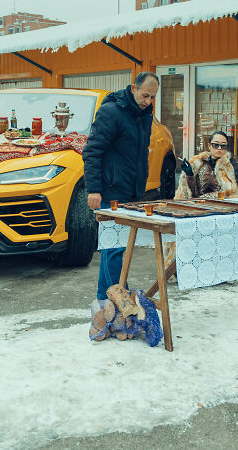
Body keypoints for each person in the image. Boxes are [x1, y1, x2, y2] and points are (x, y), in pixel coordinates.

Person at [82, 71, 160, 304]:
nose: (148, 101)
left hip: (131, 191)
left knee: (116, 247)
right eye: (145, 95)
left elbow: (139, 155)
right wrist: (93, 189)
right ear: (133, 88)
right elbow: (92, 151)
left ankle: (107, 297)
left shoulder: (144, 115)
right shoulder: (111, 112)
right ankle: (118, 297)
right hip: (110, 190)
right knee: (114, 247)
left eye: (152, 97)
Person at [174, 131, 238, 200]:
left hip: (224, 207)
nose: (219, 148)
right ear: (209, 146)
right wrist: (189, 175)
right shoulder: (197, 163)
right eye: (215, 145)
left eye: (223, 146)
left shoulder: (234, 166)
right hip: (201, 206)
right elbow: (191, 194)